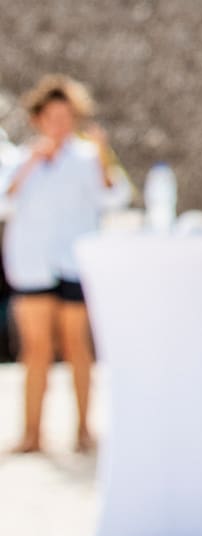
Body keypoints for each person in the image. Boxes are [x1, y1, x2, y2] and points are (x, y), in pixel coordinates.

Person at [0, 76, 132, 453]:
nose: (60, 124)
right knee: (35, 350)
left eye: (66, 117)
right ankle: (32, 434)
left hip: (75, 264)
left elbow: (115, 197)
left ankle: (84, 431)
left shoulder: (88, 157)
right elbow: (3, 202)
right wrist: (30, 165)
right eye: (52, 117)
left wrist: (103, 155)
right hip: (32, 265)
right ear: (38, 119)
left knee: (77, 346)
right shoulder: (16, 159)